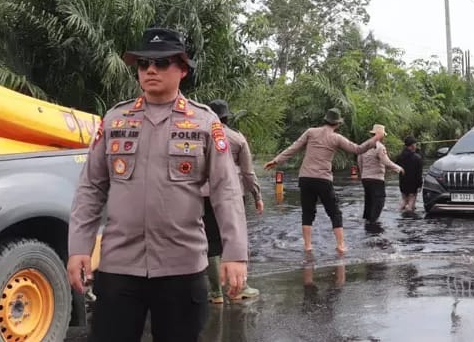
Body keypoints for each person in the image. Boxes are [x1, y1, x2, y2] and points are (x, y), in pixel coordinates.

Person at [67, 27, 248, 342]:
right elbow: (91, 188)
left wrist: (235, 253)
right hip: (119, 266)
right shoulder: (115, 120)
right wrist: (79, 247)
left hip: (182, 267)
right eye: (143, 63)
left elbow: (226, 192)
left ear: (183, 70)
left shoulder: (205, 123)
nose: (150, 69)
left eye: (162, 63)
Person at [263, 108, 381, 253]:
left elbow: (293, 148)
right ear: (337, 124)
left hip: (305, 178)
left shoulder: (311, 132)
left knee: (307, 212)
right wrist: (375, 139)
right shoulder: (336, 138)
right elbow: (357, 149)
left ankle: (307, 246)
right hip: (323, 179)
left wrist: (276, 161)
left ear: (325, 120)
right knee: (335, 213)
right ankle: (340, 245)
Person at [204, 99, 263, 303]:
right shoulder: (237, 138)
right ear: (227, 117)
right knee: (236, 237)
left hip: (204, 195)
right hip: (234, 194)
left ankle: (216, 293)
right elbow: (248, 172)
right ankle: (239, 289)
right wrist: (257, 196)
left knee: (211, 240)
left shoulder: (200, 135)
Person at [357, 124, 404, 224]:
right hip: (376, 179)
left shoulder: (364, 145)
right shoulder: (380, 147)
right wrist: (399, 168)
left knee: (369, 202)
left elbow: (359, 161)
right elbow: (386, 161)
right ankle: (373, 224)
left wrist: (362, 174)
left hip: (365, 179)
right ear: (380, 135)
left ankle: (367, 222)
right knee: (379, 202)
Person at [396, 135, 423, 212]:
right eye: (415, 144)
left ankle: (400, 212)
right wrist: (420, 185)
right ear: (412, 145)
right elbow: (419, 174)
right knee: (411, 203)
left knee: (404, 201)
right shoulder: (417, 158)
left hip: (403, 182)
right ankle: (409, 218)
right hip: (413, 184)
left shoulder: (399, 156)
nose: (416, 146)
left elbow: (397, 168)